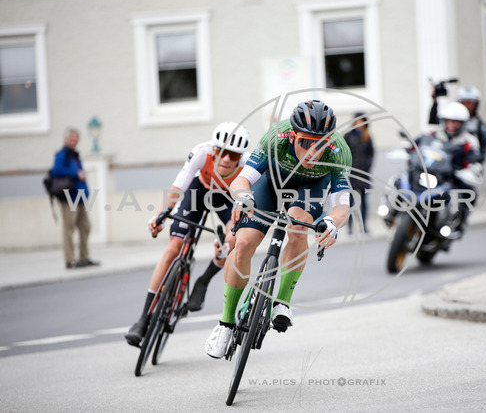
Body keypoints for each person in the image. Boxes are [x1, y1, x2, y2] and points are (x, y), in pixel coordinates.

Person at [204, 100, 352, 359]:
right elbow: (241, 179)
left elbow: (342, 206)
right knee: (243, 244)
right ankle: (225, 324)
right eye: (305, 142)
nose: (312, 152)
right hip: (271, 182)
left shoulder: (339, 151)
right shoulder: (276, 137)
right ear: (293, 136)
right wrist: (243, 196)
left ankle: (282, 302)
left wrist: (331, 222)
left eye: (319, 145)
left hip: (311, 188)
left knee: (297, 227)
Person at [124, 122, 251, 347]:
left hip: (227, 198)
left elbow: (245, 205)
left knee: (231, 241)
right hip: (198, 191)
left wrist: (231, 235)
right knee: (173, 249)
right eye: (222, 152)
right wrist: (160, 217)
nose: (226, 159)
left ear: (239, 157)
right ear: (214, 149)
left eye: (233, 155)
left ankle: (203, 281)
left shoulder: (247, 165)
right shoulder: (202, 152)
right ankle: (143, 319)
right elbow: (178, 187)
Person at [423, 102, 483, 235]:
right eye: (449, 121)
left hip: (453, 177)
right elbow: (417, 145)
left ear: (463, 124)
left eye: (456, 122)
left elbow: (475, 159)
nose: (452, 125)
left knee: (469, 193)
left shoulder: (469, 141)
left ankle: (459, 223)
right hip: (431, 173)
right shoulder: (434, 135)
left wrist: (472, 169)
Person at [51, 128, 99, 269]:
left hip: (80, 196)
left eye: (76, 139)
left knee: (85, 227)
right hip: (69, 196)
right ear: (65, 139)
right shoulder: (62, 155)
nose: (74, 141)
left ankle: (84, 257)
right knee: (69, 229)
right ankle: (70, 260)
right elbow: (56, 171)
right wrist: (76, 173)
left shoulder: (75, 155)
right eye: (72, 138)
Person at [429, 85, 486, 164]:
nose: (467, 106)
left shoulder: (480, 127)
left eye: (470, 103)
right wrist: (435, 102)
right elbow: (435, 124)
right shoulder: (450, 120)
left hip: (467, 162)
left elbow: (483, 151)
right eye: (464, 103)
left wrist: (475, 162)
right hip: (448, 160)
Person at [343, 112, 375, 234]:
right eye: (357, 121)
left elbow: (371, 154)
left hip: (363, 174)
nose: (359, 124)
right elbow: (344, 153)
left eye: (361, 122)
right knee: (350, 202)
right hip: (351, 175)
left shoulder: (367, 137)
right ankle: (350, 226)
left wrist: (367, 167)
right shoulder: (348, 136)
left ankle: (364, 225)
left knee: (364, 201)